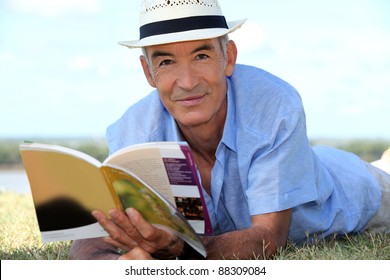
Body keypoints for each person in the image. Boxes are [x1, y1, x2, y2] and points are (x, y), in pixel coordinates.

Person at [69, 0, 390, 260]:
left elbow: (269, 239)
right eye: (166, 62)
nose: (188, 82)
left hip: (351, 187)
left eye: (202, 55)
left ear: (229, 57)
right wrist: (116, 266)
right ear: (147, 72)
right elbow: (90, 235)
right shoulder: (133, 133)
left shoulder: (274, 108)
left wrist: (183, 250)